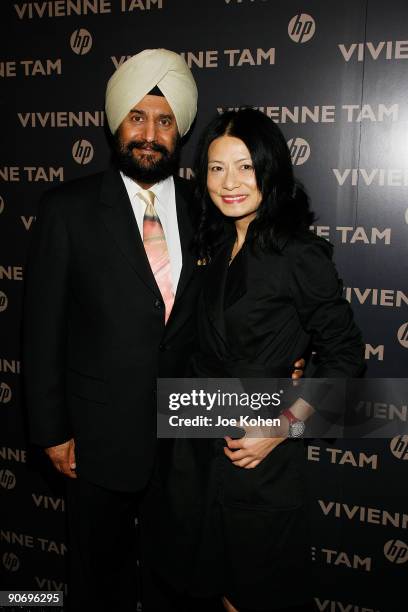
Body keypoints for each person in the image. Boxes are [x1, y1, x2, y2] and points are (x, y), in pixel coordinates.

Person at [23, 51, 305, 611]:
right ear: (115, 124)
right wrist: (51, 432)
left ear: (181, 130)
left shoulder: (210, 208)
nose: (150, 134)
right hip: (97, 437)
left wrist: (291, 380)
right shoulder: (67, 210)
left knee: (176, 582)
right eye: (137, 118)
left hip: (187, 438)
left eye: (165, 120)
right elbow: (40, 330)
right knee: (96, 581)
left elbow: (250, 305)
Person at [141, 108, 366, 612]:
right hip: (193, 451)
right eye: (217, 168)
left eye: (245, 166)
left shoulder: (297, 254)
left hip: (257, 454)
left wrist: (284, 425)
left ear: (270, 168)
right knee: (198, 587)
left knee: (252, 595)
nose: (229, 183)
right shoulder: (216, 243)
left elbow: (347, 354)